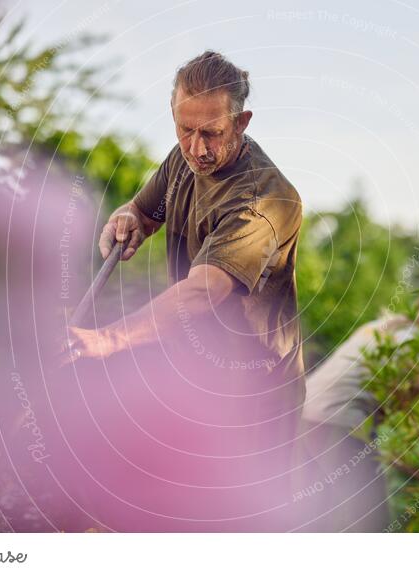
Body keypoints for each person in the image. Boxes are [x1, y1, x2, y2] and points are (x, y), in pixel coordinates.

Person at [58, 51, 306, 530]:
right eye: (184, 130)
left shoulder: (265, 200)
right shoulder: (185, 159)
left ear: (241, 121)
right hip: (195, 371)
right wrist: (128, 216)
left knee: (235, 527)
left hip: (253, 390)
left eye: (211, 132)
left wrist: (107, 340)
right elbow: (145, 211)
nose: (196, 148)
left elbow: (204, 291)